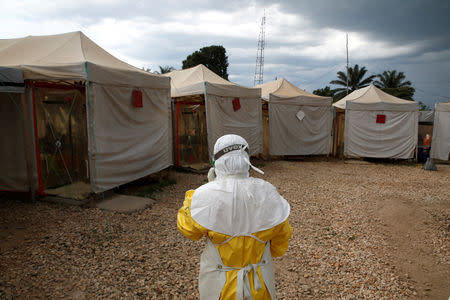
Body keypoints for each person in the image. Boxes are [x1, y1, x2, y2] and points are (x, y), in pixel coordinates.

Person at [177, 134, 293, 300]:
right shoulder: (268, 193)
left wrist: (206, 191)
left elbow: (188, 230)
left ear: (216, 161)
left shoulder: (203, 196)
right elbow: (280, 242)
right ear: (246, 159)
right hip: (260, 284)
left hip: (219, 287)